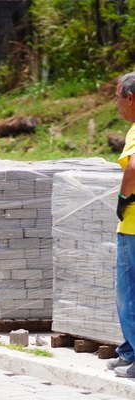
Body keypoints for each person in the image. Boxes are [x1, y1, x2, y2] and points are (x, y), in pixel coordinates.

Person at [108, 71, 135, 378]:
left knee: (128, 293)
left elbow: (134, 167)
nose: (117, 105)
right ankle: (128, 350)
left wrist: (122, 198)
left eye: (118, 98)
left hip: (132, 226)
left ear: (130, 97)